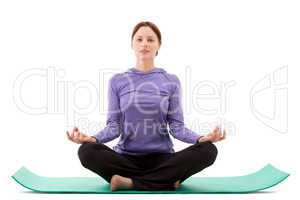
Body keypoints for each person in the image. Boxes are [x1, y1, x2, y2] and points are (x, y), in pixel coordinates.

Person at [66, 21, 226, 191]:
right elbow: (114, 126)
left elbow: (177, 127)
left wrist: (201, 139)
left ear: (158, 46)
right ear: (132, 45)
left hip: (163, 159)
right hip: (125, 159)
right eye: (139, 39)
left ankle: (130, 182)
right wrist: (92, 139)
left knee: (208, 150)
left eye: (150, 40)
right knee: (87, 151)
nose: (144, 44)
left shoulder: (171, 81)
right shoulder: (117, 81)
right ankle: (164, 180)